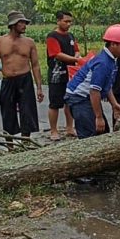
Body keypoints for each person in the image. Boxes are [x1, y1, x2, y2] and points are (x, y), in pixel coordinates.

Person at [64, 25, 120, 139]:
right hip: (79, 98)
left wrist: (114, 104)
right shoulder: (103, 63)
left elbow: (107, 85)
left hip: (87, 98)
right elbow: (94, 91)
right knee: (91, 134)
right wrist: (98, 117)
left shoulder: (112, 59)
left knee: (103, 132)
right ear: (113, 44)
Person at [0, 11, 44, 138]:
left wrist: (39, 87)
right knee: (7, 112)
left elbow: (35, 65)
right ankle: (10, 145)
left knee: (27, 112)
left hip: (25, 79)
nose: (24, 25)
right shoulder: (0, 41)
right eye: (21, 23)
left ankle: (25, 142)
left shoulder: (29, 42)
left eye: (25, 23)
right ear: (13, 25)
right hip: (8, 80)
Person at [46, 10, 80, 141]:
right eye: (66, 21)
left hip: (71, 74)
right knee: (55, 103)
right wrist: (74, 59)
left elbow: (76, 50)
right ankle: (53, 130)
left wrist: (76, 57)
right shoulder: (52, 36)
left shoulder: (70, 36)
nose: (68, 24)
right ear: (58, 21)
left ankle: (70, 128)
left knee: (69, 101)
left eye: (70, 21)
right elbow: (57, 54)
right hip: (56, 75)